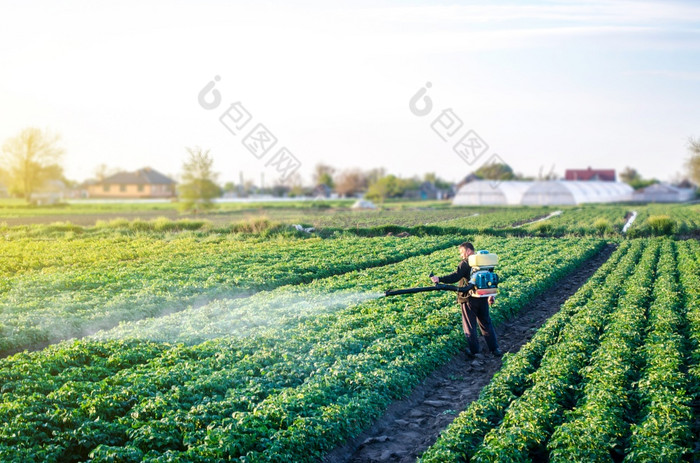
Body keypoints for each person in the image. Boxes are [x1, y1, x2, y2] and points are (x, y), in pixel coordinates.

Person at [431, 241, 502, 357]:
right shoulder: (485, 262)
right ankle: (495, 349)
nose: (461, 255)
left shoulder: (466, 263)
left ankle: (474, 351)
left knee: (469, 325)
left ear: (468, 251)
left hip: (468, 298)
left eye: (462, 252)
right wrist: (491, 295)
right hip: (482, 296)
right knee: (486, 323)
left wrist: (439, 279)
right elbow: (491, 281)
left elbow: (455, 276)